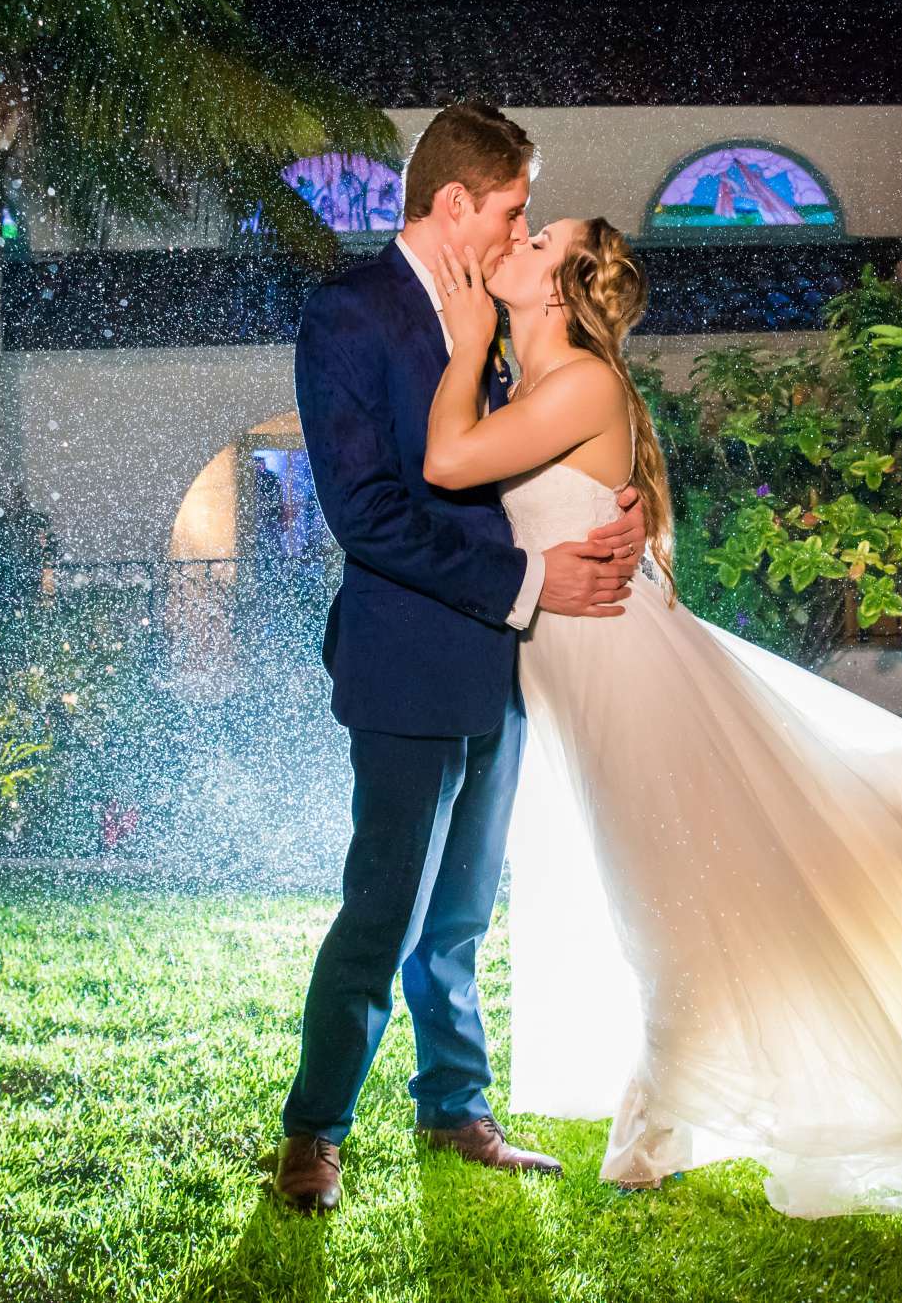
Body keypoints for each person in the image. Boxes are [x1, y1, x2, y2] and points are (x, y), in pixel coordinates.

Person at [421, 215, 902, 1224]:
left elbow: (445, 465)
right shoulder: (540, 386)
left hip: (624, 680)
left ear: (557, 292)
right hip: (593, 673)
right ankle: (660, 1124)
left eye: (537, 239)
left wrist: (470, 339)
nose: (514, 241)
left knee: (667, 899)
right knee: (660, 893)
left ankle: (652, 1135)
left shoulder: (580, 387)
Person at [272, 100, 647, 1214]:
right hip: (406, 664)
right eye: (515, 209)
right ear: (455, 204)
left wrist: (615, 512)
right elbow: (368, 515)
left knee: (464, 913)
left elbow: (555, 443)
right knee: (382, 908)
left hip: (506, 667)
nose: (520, 232)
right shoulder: (348, 314)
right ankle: (314, 1129)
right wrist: (534, 584)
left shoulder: (506, 314)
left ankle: (456, 1107)